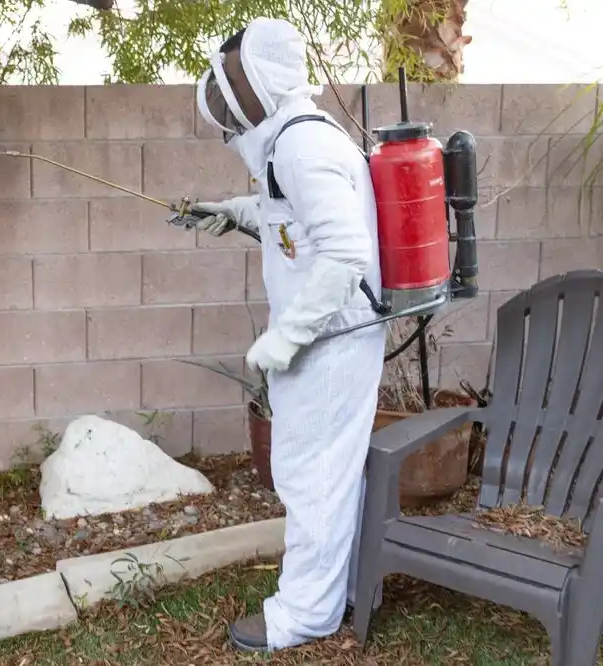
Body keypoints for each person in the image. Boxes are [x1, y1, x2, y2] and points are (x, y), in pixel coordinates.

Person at [170, 17, 386, 653]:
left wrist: (286, 338)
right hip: (334, 337)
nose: (226, 95)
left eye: (236, 77)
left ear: (264, 80)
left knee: (310, 475)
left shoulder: (302, 146)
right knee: (331, 473)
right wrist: (229, 213)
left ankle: (303, 615)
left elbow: (344, 254)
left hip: (330, 340)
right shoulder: (294, 139)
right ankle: (348, 588)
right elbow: (288, 215)